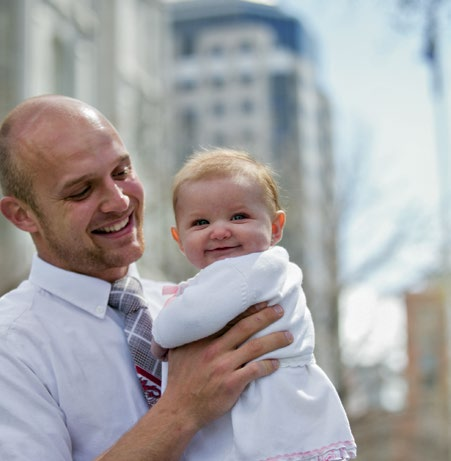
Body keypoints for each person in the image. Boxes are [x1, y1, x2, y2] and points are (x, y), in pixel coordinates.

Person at [0, 95, 293, 461]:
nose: (120, 201)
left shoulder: (195, 302)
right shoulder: (11, 347)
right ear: (22, 215)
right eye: (81, 191)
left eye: (122, 172)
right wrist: (180, 411)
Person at [151, 148, 357, 461]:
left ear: (275, 228)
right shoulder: (241, 275)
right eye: (201, 222)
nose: (220, 231)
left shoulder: (254, 269)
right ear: (179, 240)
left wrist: (160, 334)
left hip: (270, 411)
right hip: (261, 402)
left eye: (239, 216)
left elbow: (185, 321)